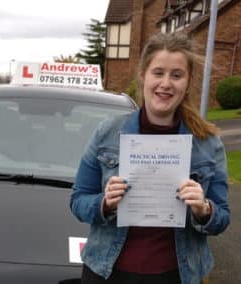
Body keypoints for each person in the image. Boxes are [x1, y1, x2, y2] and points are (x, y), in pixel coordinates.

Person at [70, 32, 230, 284]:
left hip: (178, 275)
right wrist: (105, 204)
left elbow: (222, 219)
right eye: (158, 72)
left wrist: (204, 209)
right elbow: (78, 200)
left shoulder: (208, 143)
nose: (166, 83)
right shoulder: (107, 132)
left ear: (187, 83)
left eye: (176, 75)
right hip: (106, 272)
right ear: (143, 75)